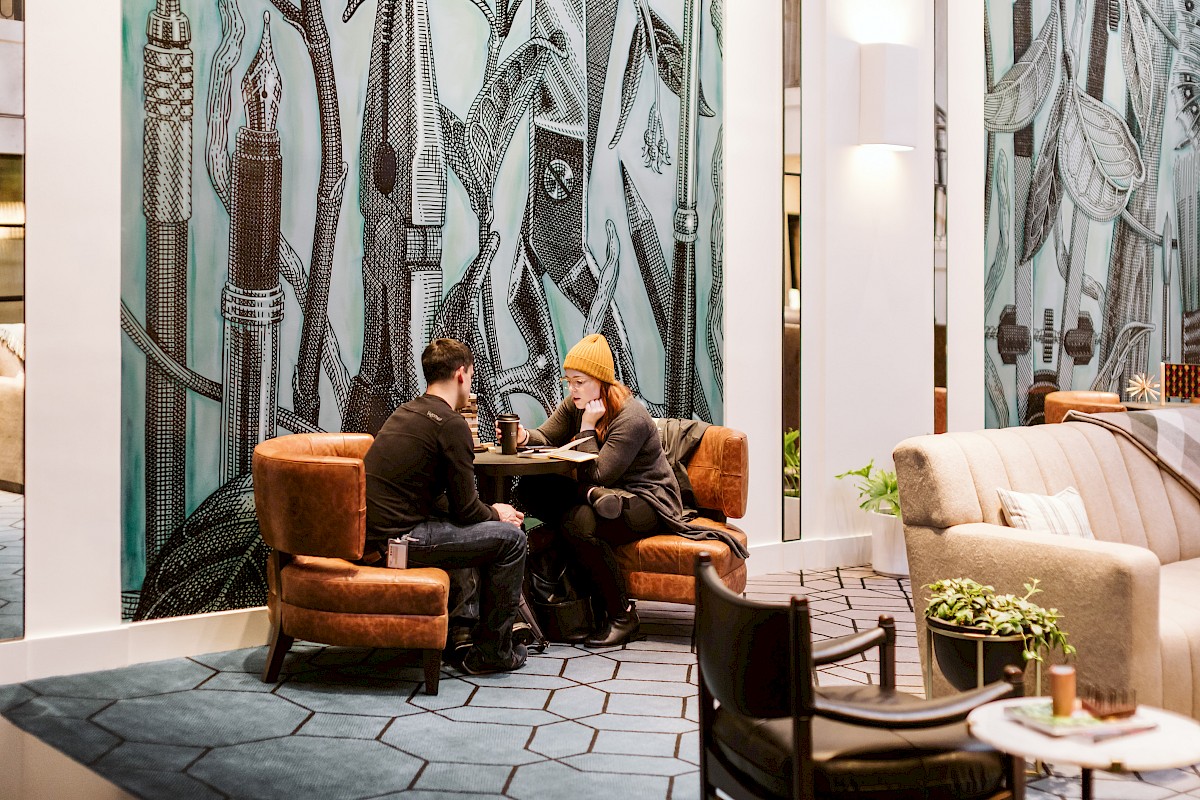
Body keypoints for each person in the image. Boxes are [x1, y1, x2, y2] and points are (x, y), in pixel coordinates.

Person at [364, 338, 528, 675]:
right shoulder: (452, 425)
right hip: (399, 543)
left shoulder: (406, 411)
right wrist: (499, 512)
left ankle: (462, 633)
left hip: (378, 539)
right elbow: (467, 511)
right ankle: (493, 652)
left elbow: (441, 500)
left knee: (477, 529)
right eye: (470, 374)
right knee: (512, 540)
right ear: (461, 374)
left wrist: (490, 513)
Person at [507, 333, 682, 647]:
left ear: (601, 382)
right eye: (569, 381)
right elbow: (546, 436)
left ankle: (622, 616)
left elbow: (600, 473)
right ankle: (588, 502)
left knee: (579, 523)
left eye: (579, 381)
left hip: (647, 499)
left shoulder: (631, 417)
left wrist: (588, 426)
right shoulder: (575, 403)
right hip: (602, 494)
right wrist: (523, 437)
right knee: (532, 486)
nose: (572, 389)